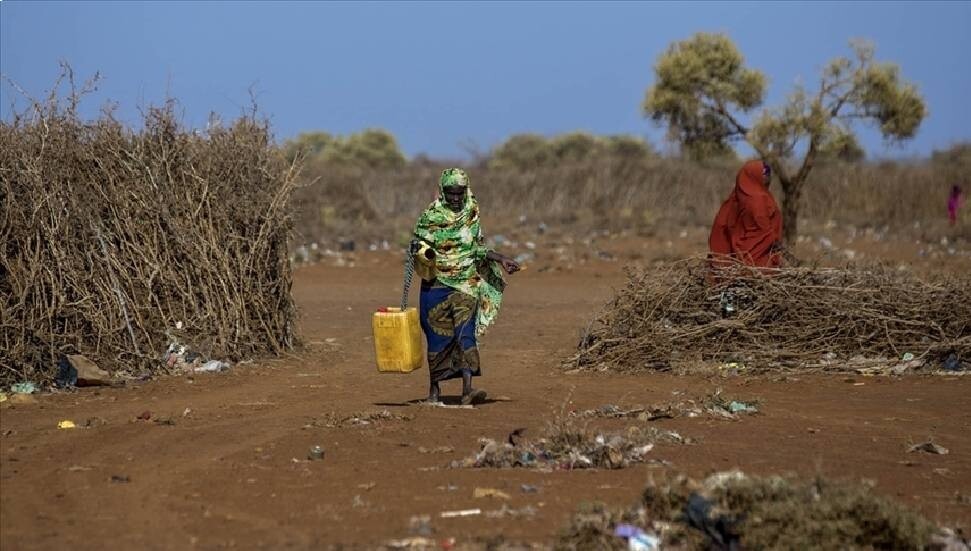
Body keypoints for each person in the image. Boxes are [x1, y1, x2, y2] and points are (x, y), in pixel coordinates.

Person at [413, 168, 520, 404]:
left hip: (466, 284)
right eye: (450, 193)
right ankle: (434, 392)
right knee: (436, 337)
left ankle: (467, 390)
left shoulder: (471, 213)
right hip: (435, 284)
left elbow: (476, 249)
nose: (455, 198)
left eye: (459, 192)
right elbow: (417, 246)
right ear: (442, 191)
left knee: (465, 334)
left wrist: (500, 258)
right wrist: (422, 252)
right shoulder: (430, 216)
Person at [708, 159, 784, 273]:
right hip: (758, 264)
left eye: (769, 173)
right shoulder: (758, 200)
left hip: (736, 262)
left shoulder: (736, 199)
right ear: (754, 176)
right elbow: (764, 231)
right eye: (765, 173)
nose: (769, 177)